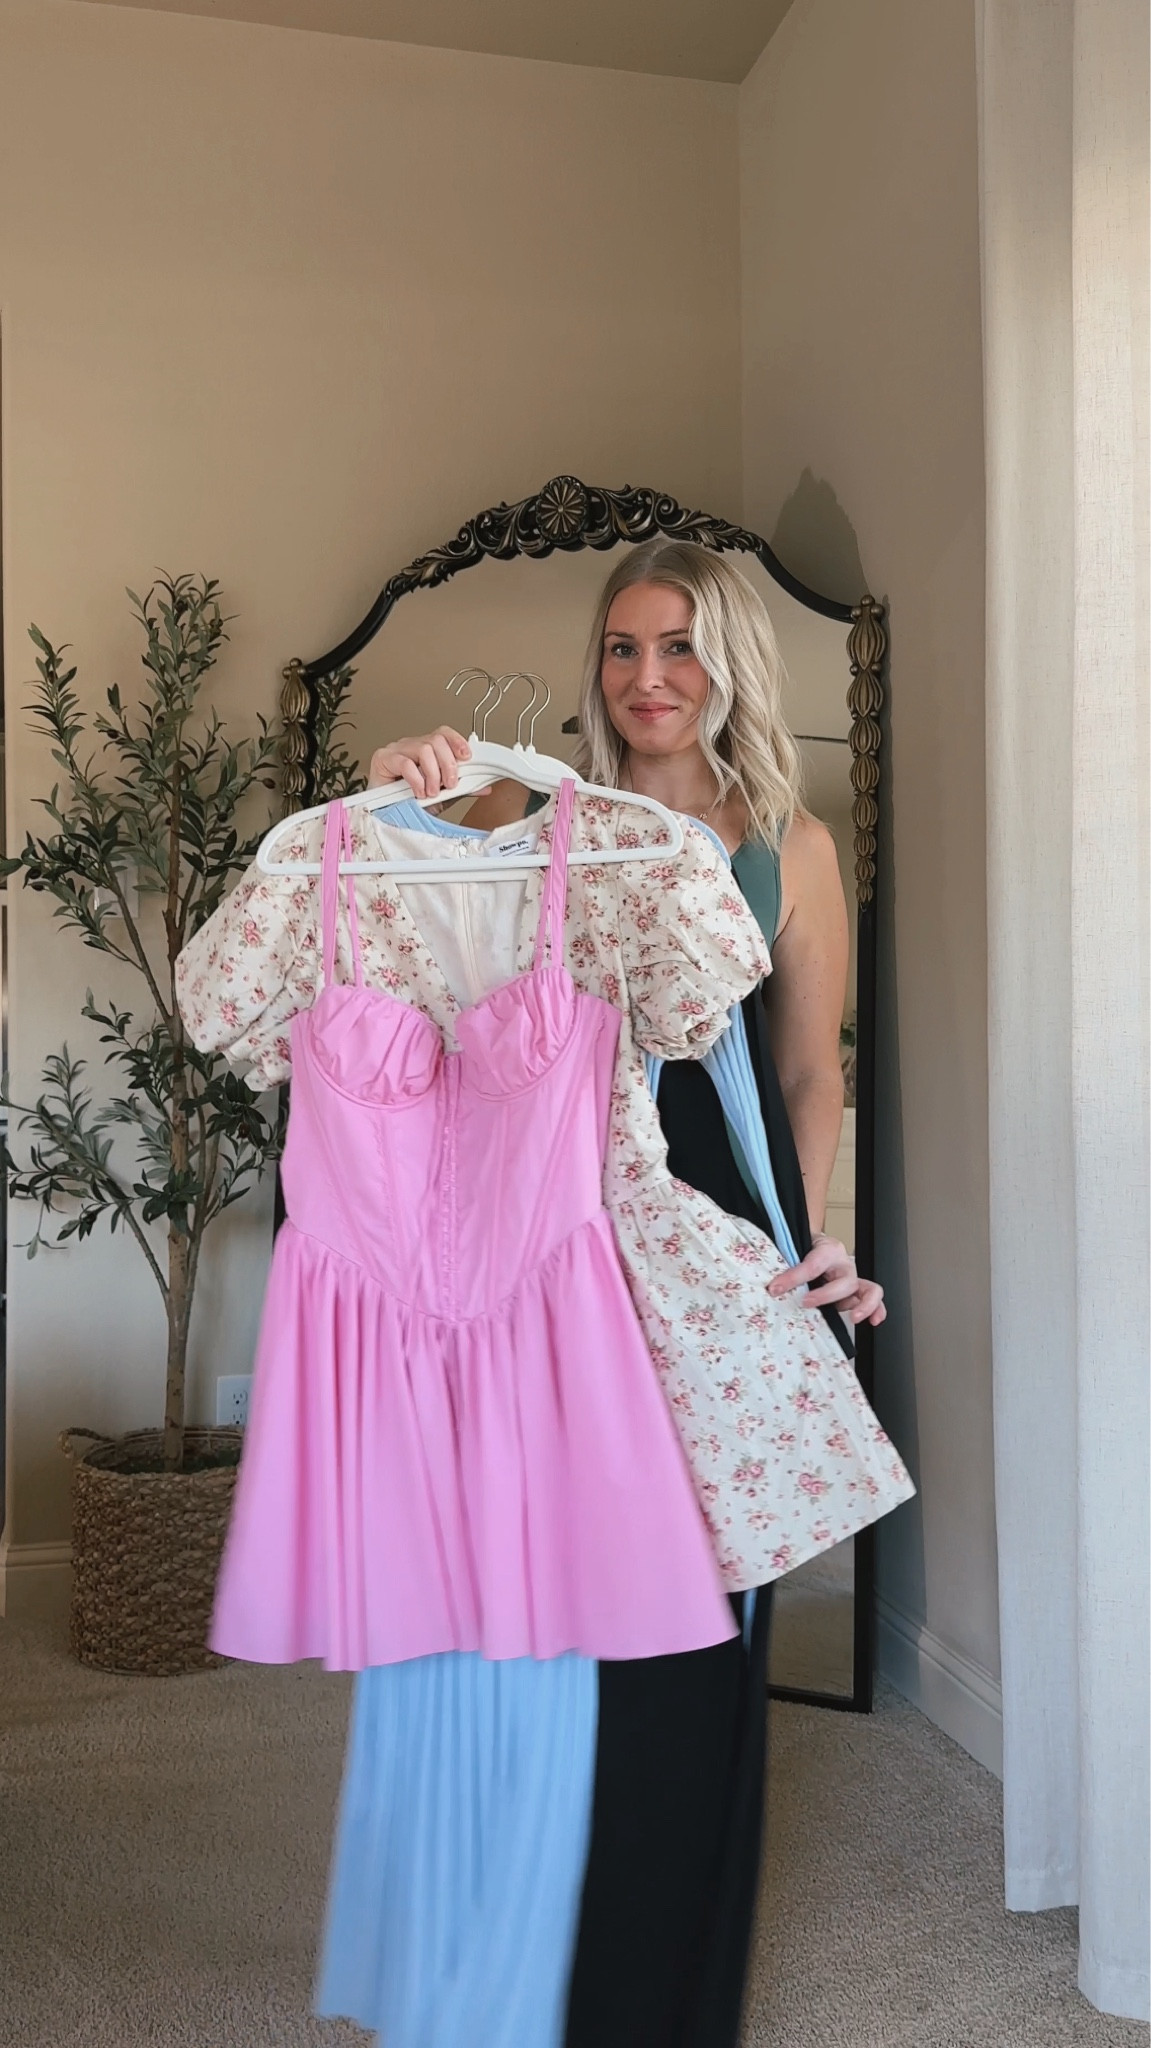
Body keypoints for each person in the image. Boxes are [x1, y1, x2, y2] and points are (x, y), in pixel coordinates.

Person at [367, 539, 887, 2047]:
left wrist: (800, 1241)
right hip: (557, 1237)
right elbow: (406, 956)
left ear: (729, 664)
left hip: (724, 1249)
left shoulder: (789, 843)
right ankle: (519, 1964)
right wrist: (396, 793)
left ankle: (661, 1998)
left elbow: (808, 1072)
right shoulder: (525, 817)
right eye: (621, 646)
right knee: (549, 1610)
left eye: (679, 646)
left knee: (700, 1623)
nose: (647, 677)